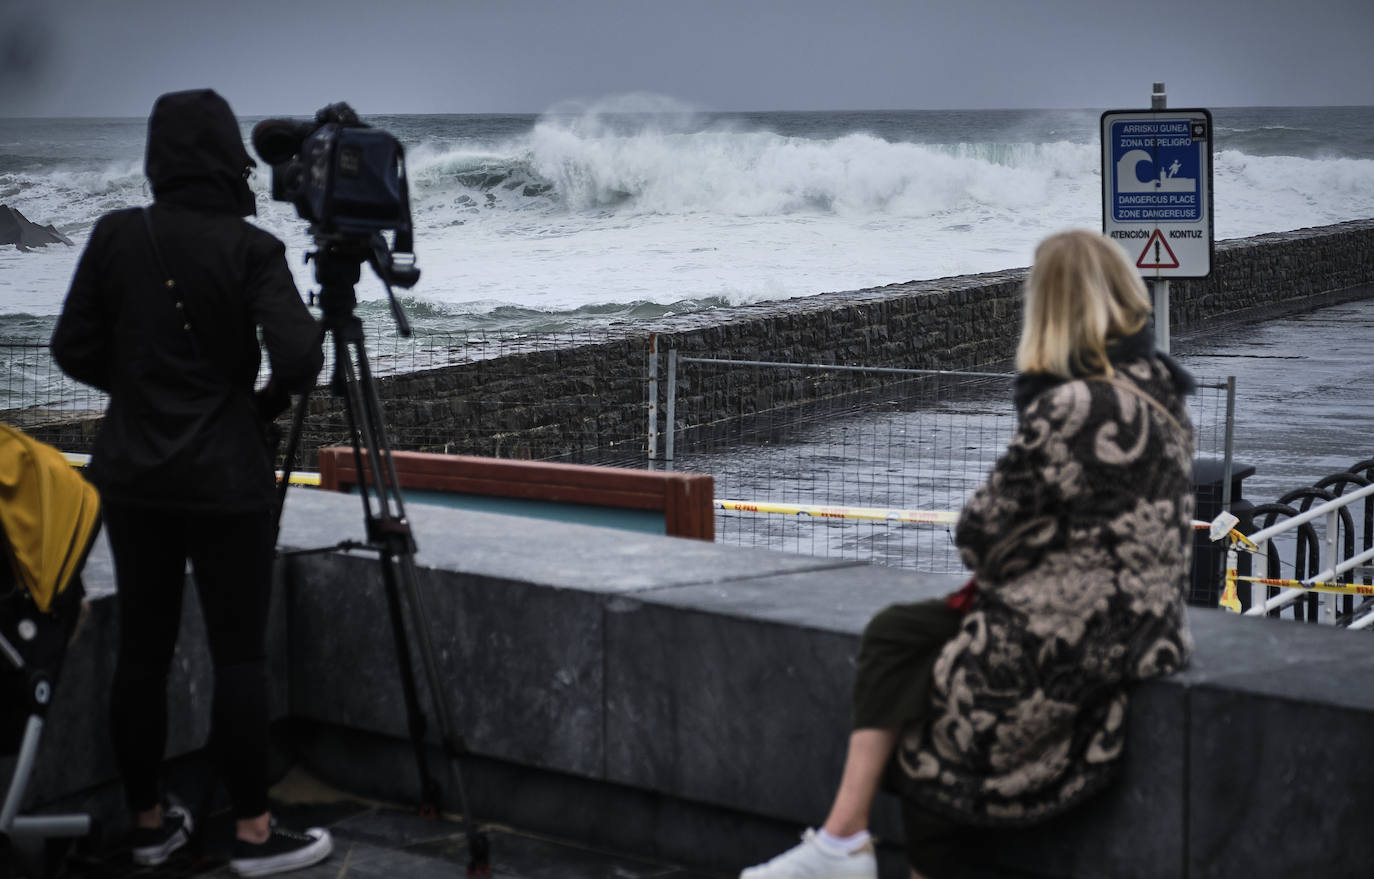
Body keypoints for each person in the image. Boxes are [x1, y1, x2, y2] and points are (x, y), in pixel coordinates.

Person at [739, 229, 1196, 879]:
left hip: (1075, 632)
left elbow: (980, 533)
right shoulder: (1162, 390)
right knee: (899, 633)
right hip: (1149, 629)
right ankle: (842, 840)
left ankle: (846, 843)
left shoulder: (1070, 403)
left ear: (1051, 307)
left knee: (936, 735)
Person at [50, 89, 331, 877]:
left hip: (132, 476)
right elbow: (304, 361)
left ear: (157, 157)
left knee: (142, 649)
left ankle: (147, 824)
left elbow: (70, 345)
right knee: (238, 654)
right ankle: (249, 830)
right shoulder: (249, 248)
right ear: (224, 156)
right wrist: (251, 406)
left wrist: (139, 390)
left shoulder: (115, 235)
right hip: (226, 479)